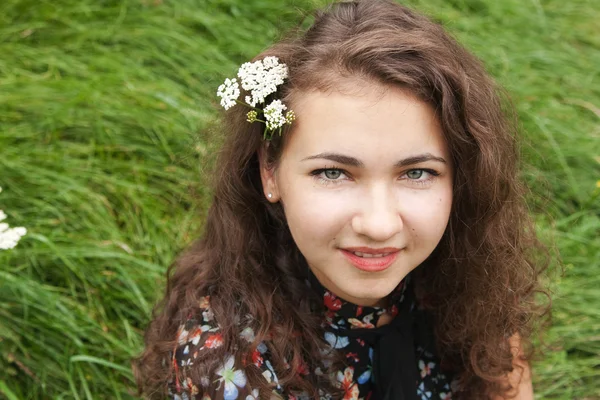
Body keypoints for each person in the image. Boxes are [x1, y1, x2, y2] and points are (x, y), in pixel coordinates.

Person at [133, 1, 549, 399]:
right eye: (333, 173)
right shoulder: (232, 366)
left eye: (417, 173)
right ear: (270, 171)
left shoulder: (469, 276)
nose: (379, 224)